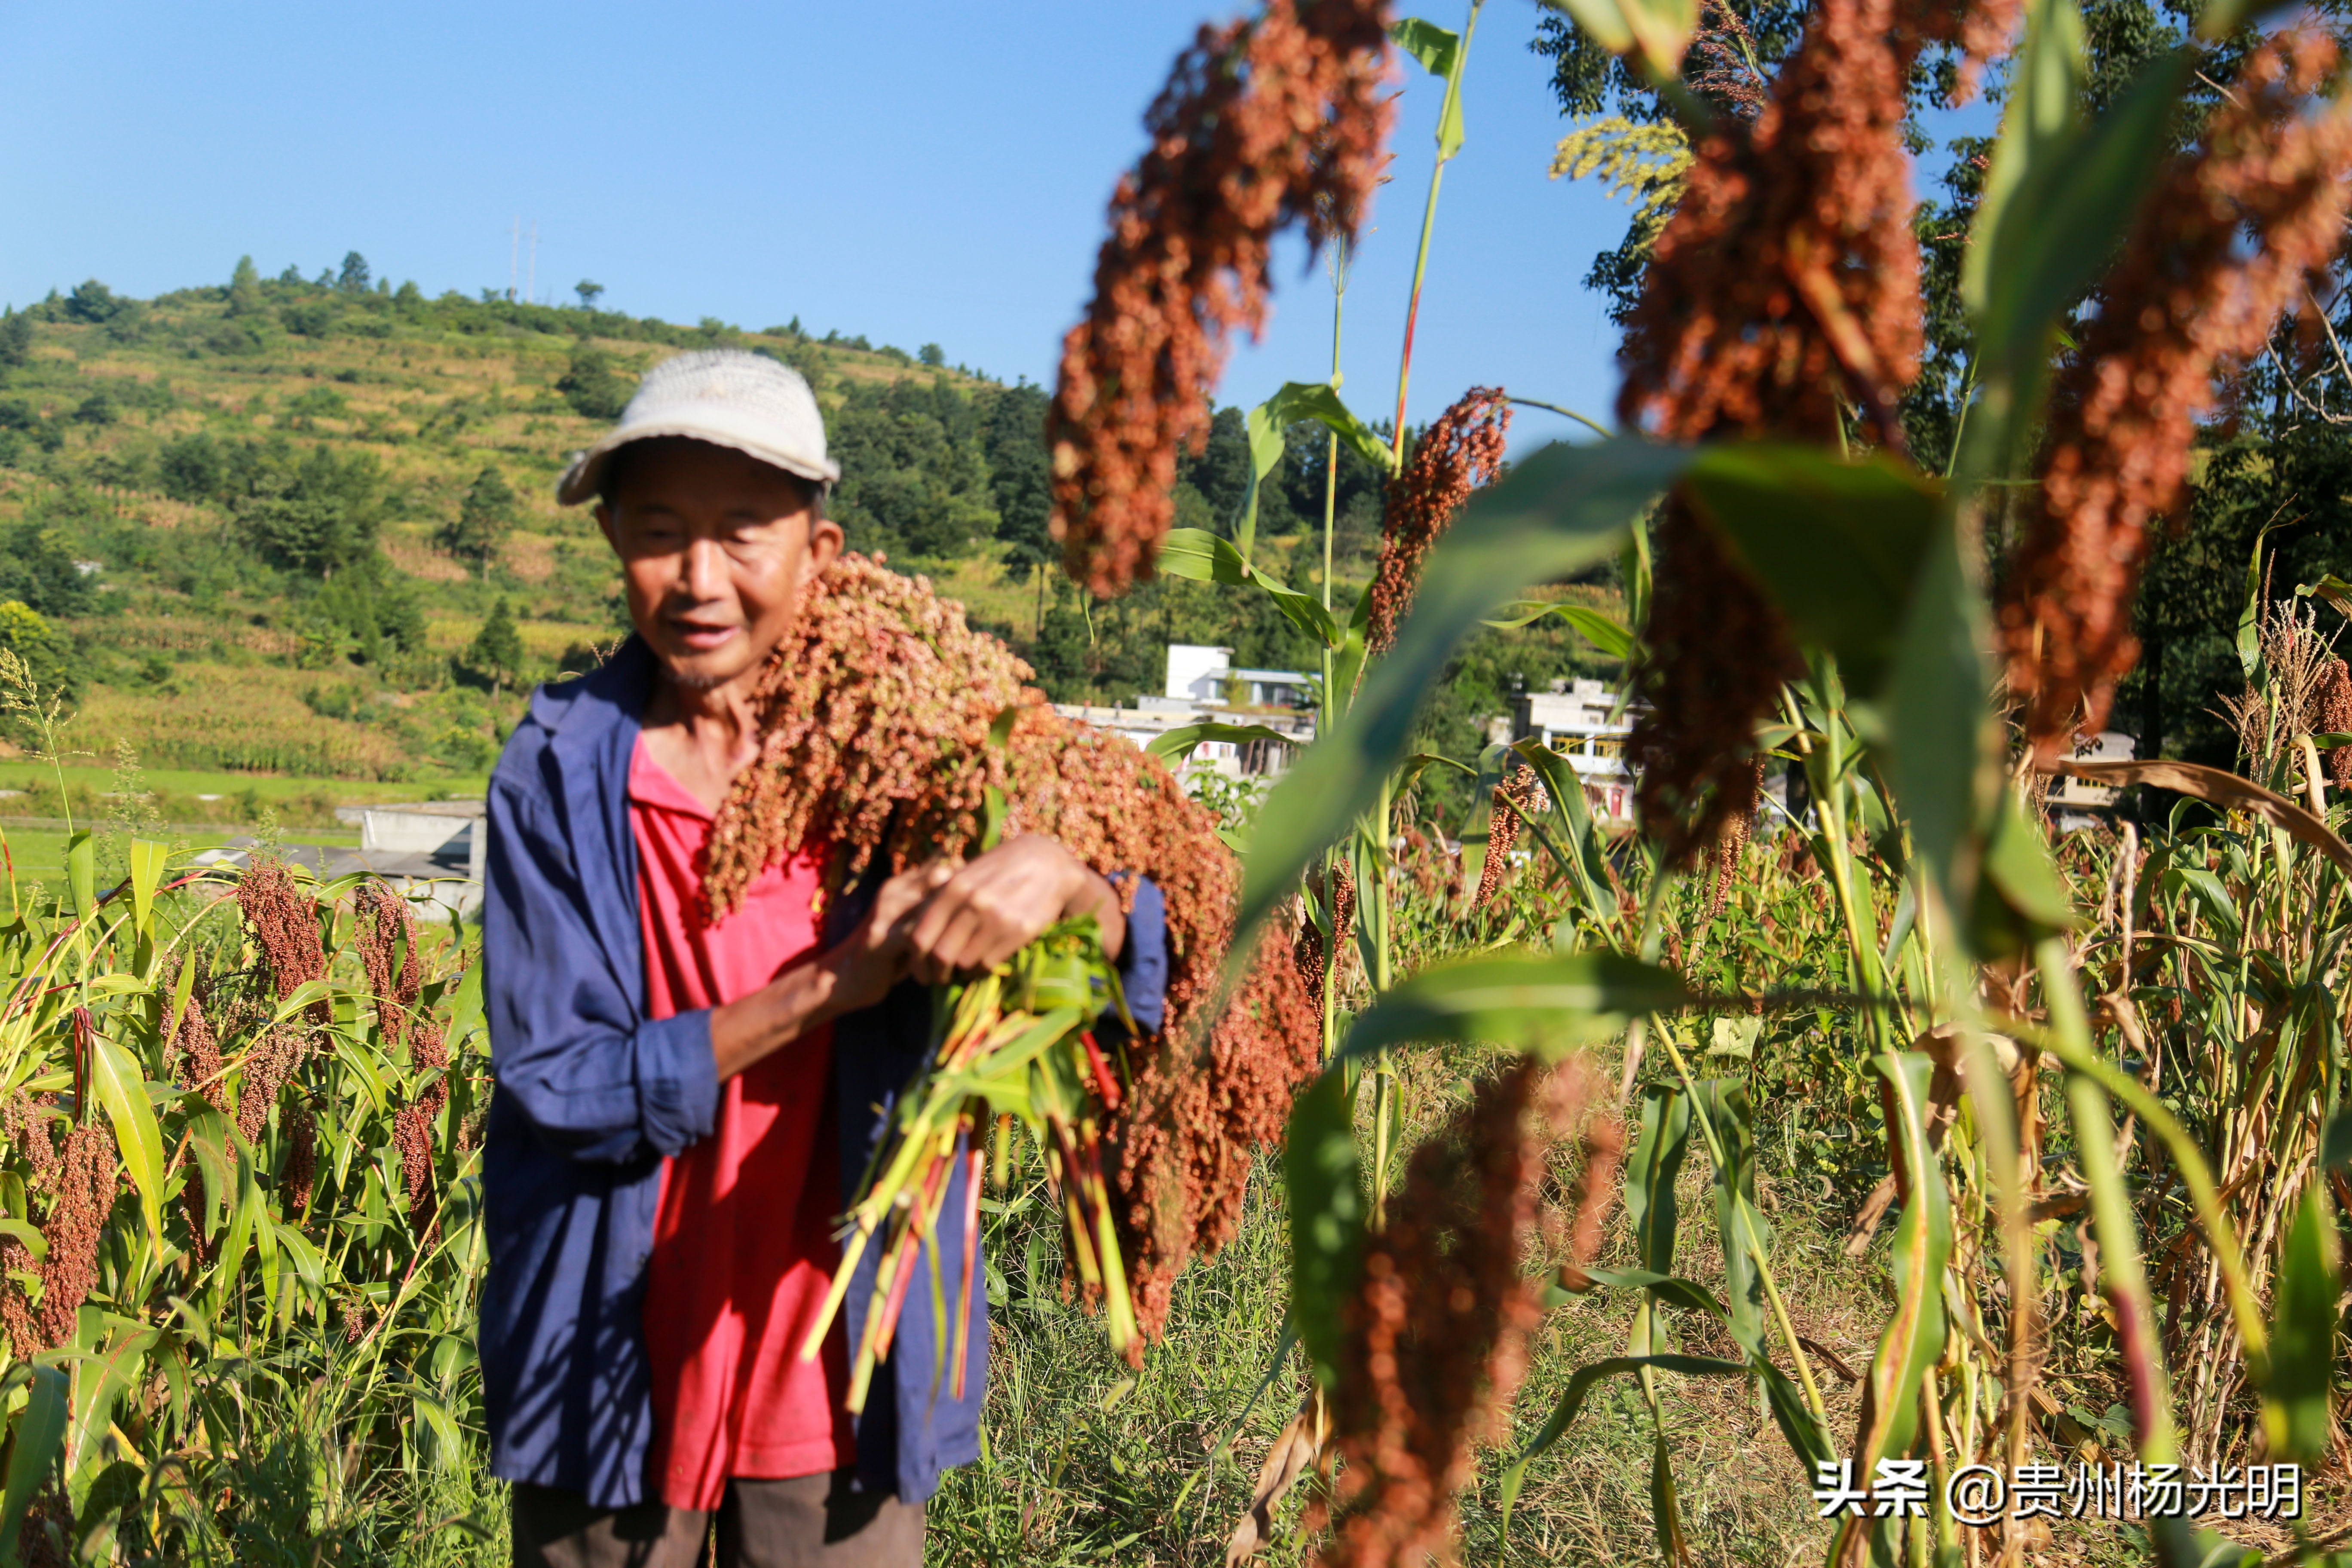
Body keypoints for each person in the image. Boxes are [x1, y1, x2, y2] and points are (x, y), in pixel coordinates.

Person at [476, 351, 1168, 1566]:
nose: (699, 579)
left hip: (841, 1388)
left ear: (822, 551)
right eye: (658, 533)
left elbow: (1146, 959)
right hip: (608, 1381)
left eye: (744, 534)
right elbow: (561, 1082)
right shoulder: (557, 771)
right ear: (613, 547)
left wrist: (1076, 890)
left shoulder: (926, 756)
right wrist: (830, 986)